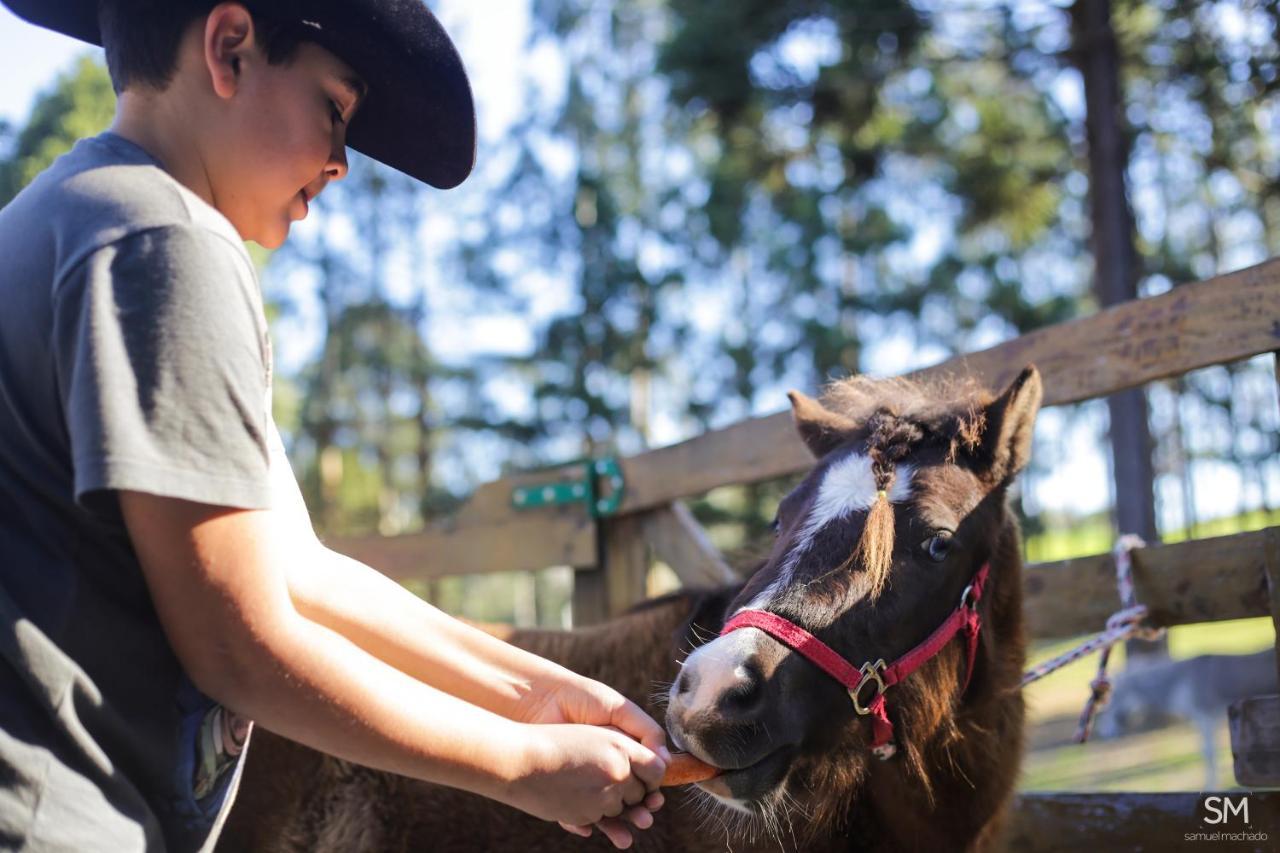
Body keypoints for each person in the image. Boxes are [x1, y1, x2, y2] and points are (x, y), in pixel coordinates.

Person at [0, 1, 670, 850]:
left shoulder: (68, 214)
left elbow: (299, 572)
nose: (341, 164)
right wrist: (517, 764)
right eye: (335, 110)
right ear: (231, 48)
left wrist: (536, 696)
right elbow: (238, 642)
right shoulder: (166, 242)